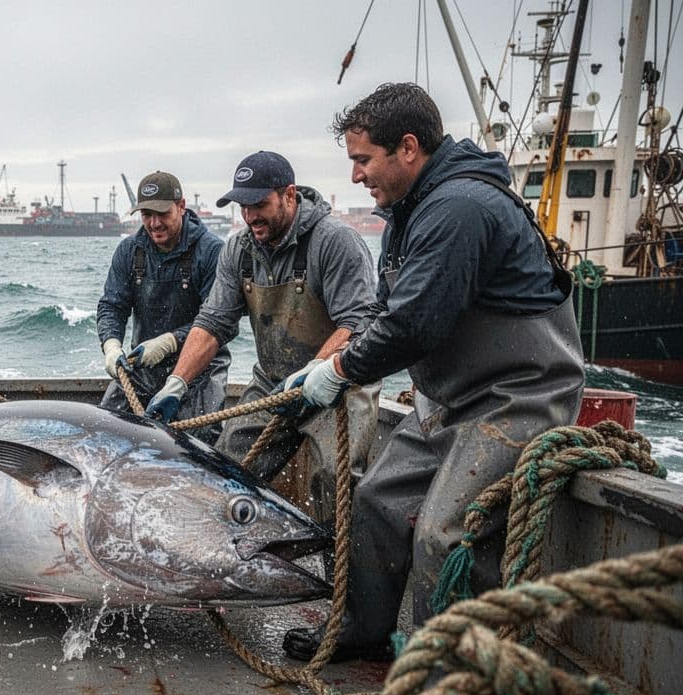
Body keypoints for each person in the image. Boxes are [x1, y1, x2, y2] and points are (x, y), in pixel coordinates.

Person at [280, 82, 584, 662]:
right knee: (374, 501)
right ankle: (363, 630)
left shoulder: (460, 207)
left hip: (517, 397)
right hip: (448, 400)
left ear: (409, 149)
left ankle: (437, 683)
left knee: (444, 537)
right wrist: (324, 364)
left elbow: (414, 325)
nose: (355, 176)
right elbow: (383, 309)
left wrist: (340, 371)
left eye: (363, 160)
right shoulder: (409, 209)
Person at [146, 151, 379, 519]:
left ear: (289, 194)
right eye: (243, 206)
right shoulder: (239, 251)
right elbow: (212, 323)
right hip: (273, 385)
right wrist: (177, 382)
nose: (250, 215)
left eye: (259, 203)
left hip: (339, 386)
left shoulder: (335, 242)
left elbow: (360, 321)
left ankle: (334, 569)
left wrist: (319, 367)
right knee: (222, 473)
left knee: (334, 482)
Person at [96, 171, 227, 442]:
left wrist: (169, 342)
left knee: (200, 440)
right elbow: (112, 306)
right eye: (146, 215)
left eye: (162, 214)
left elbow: (218, 321)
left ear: (181, 206)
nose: (154, 223)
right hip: (143, 366)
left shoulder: (212, 251)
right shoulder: (129, 251)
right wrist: (111, 345)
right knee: (106, 431)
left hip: (202, 370)